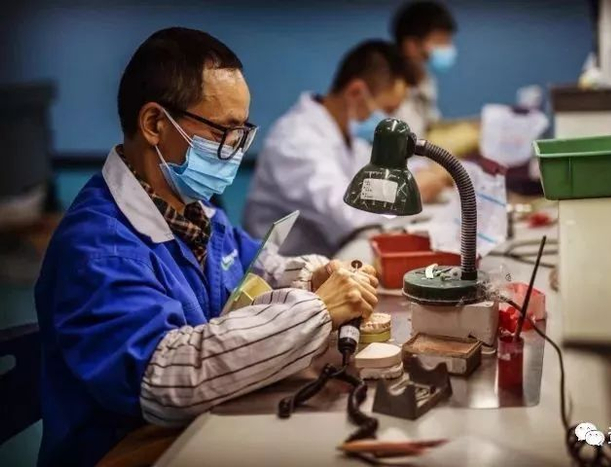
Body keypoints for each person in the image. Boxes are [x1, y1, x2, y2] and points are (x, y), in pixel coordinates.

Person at [34, 27, 378, 467]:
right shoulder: (99, 248)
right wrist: (317, 310)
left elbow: (256, 268)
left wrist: (316, 277)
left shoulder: (195, 211)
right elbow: (167, 379)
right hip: (124, 451)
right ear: (155, 124)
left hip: (198, 427)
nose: (235, 149)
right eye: (224, 131)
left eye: (242, 132)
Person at [245, 40, 446, 257]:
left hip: (325, 259)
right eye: (388, 110)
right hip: (281, 270)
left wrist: (430, 170)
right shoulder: (296, 140)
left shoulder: (346, 134)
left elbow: (379, 171)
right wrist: (413, 189)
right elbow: (350, 216)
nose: (392, 120)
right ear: (356, 92)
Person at [392, 1, 458, 139]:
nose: (448, 48)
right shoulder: (390, 87)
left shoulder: (424, 79)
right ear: (411, 45)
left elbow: (432, 126)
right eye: (440, 41)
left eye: (448, 41)